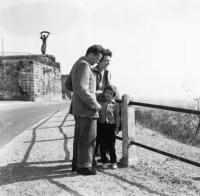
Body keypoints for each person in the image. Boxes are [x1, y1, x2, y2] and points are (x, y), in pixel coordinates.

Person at [65, 45, 103, 175]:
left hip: (79, 108)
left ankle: (78, 164)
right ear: (91, 54)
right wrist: (95, 104)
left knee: (80, 138)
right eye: (97, 59)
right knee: (87, 138)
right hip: (86, 109)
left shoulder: (78, 63)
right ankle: (84, 167)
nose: (97, 62)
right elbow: (82, 88)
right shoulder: (85, 65)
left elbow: (68, 84)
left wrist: (77, 95)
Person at [92, 49, 112, 158]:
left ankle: (104, 153)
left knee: (106, 129)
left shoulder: (108, 72)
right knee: (96, 132)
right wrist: (102, 93)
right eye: (106, 60)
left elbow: (110, 89)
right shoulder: (92, 71)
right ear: (99, 60)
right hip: (94, 105)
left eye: (109, 61)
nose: (108, 63)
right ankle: (94, 154)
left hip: (104, 105)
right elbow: (91, 91)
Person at [98, 85, 120, 169]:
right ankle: (104, 161)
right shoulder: (100, 103)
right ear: (104, 93)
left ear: (113, 96)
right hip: (101, 125)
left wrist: (117, 127)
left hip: (111, 126)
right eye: (107, 92)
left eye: (110, 93)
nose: (108, 94)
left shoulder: (115, 104)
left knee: (111, 144)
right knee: (102, 144)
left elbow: (117, 116)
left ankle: (113, 161)